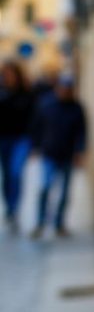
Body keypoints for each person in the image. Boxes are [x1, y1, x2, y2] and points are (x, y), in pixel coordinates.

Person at [29, 73, 86, 238]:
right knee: (45, 188)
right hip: (49, 154)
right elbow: (36, 126)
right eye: (63, 88)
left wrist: (79, 151)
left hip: (67, 155)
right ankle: (40, 223)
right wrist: (35, 147)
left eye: (69, 89)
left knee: (65, 192)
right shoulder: (46, 104)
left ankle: (59, 224)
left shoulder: (76, 108)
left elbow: (81, 132)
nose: (65, 92)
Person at [0, 60, 34, 230]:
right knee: (6, 175)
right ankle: (9, 207)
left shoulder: (27, 93)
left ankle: (15, 208)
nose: (8, 77)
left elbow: (34, 117)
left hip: (21, 139)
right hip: (3, 138)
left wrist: (35, 143)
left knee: (16, 173)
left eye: (11, 73)